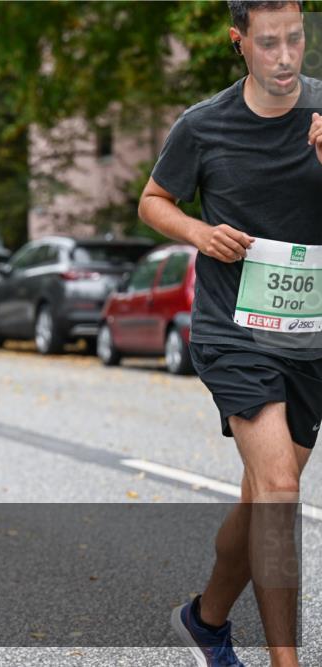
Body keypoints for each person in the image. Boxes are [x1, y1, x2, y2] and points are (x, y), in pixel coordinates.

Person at [138, 3, 321, 665]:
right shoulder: (204, 124)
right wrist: (198, 232)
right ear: (238, 42)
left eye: (295, 40)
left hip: (308, 334)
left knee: (259, 501)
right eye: (268, 43)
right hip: (232, 328)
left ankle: (205, 618)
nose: (284, 57)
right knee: (277, 487)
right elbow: (153, 200)